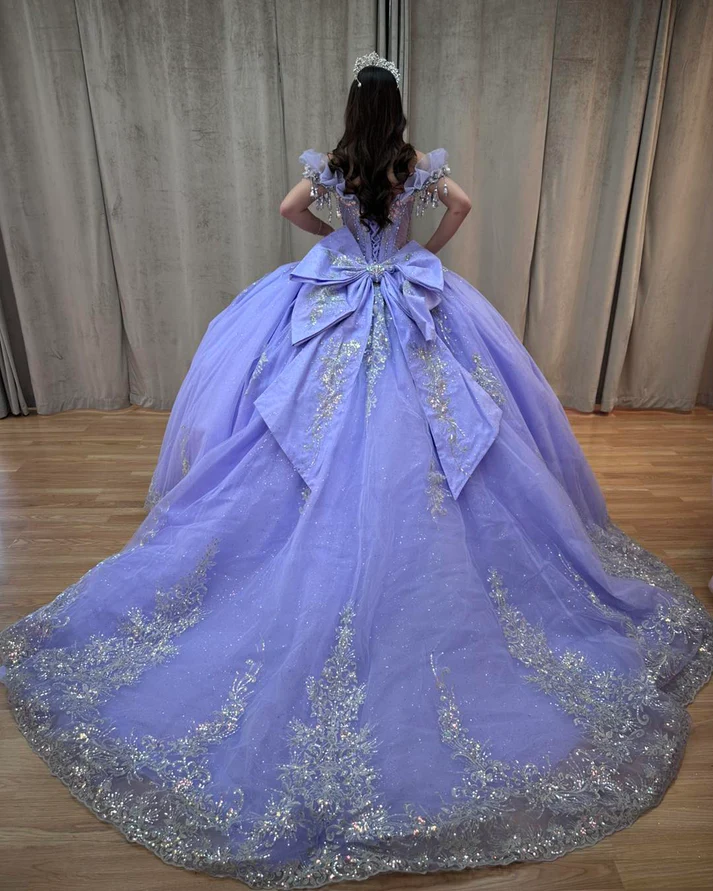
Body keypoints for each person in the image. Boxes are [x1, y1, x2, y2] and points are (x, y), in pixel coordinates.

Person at [0, 52, 711, 889]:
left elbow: (288, 210)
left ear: (351, 108)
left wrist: (338, 242)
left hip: (341, 291)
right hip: (404, 289)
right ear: (397, 110)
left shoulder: (333, 165)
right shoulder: (413, 165)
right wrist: (419, 249)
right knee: (452, 427)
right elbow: (463, 206)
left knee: (297, 425)